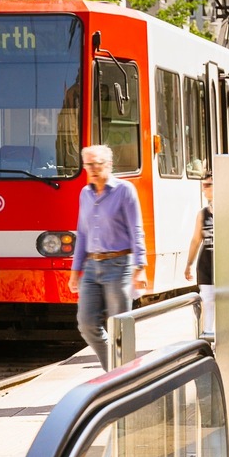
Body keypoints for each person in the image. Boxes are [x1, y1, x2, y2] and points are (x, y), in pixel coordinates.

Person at [67, 145, 147, 370]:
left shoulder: (125, 190)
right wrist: (75, 272)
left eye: (96, 164)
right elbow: (82, 233)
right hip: (92, 266)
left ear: (109, 165)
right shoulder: (85, 193)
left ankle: (125, 377)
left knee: (119, 326)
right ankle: (113, 370)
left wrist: (140, 267)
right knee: (86, 324)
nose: (91, 169)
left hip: (119, 264)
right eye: (87, 165)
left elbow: (136, 229)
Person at [184, 177, 216, 331]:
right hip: (206, 265)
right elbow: (196, 240)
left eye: (208, 185)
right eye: (203, 185)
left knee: (225, 304)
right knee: (208, 301)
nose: (204, 189)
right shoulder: (203, 214)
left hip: (225, 264)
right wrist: (188, 264)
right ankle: (208, 338)